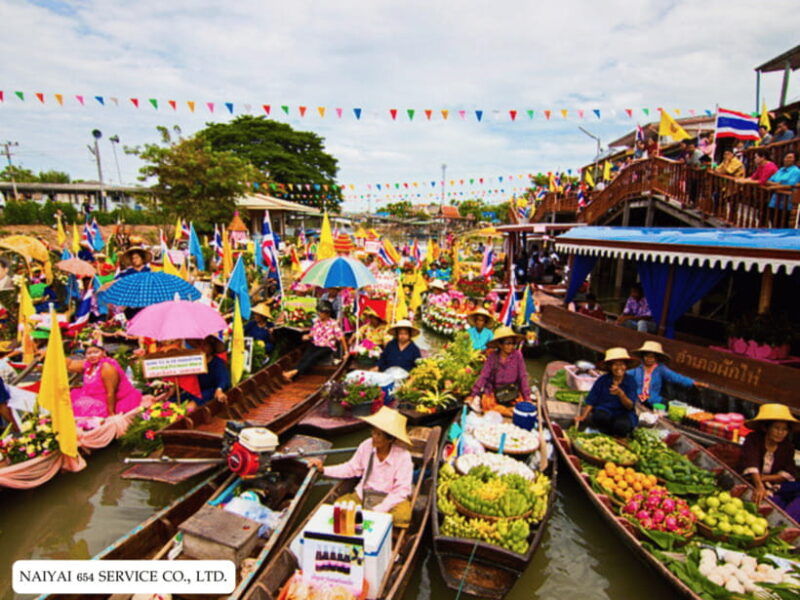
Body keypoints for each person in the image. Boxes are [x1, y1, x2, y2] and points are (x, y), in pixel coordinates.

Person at [309, 406, 413, 527]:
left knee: (402, 517)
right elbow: (351, 468)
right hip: (364, 494)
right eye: (373, 432)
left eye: (379, 435)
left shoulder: (403, 456)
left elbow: (401, 491)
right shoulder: (366, 446)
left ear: (390, 439)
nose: (374, 437)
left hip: (390, 498)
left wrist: (379, 510)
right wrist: (324, 469)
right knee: (339, 507)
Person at [739, 404, 798, 515]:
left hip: (773, 485)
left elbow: (790, 470)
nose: (780, 432)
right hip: (752, 481)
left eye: (784, 429)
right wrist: (759, 486)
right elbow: (751, 462)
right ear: (766, 428)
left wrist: (765, 478)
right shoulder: (753, 439)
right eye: (776, 428)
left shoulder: (787, 447)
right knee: (770, 502)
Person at [576, 347, 639, 437]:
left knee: (622, 425)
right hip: (605, 410)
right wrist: (583, 416)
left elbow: (630, 406)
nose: (619, 368)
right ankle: (605, 432)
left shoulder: (630, 381)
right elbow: (592, 399)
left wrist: (621, 394)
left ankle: (617, 435)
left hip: (624, 413)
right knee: (599, 417)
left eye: (622, 364)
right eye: (615, 365)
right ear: (610, 367)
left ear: (626, 366)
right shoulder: (603, 380)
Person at [68, 343, 143, 418]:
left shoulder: (107, 367)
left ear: (103, 353)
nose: (92, 355)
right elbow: (70, 364)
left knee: (80, 405)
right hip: (96, 398)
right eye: (89, 353)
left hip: (113, 402)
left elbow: (111, 393)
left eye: (95, 352)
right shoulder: (89, 365)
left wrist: (111, 414)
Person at [470, 326, 531, 417]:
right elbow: (484, 376)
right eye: (508, 343)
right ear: (500, 345)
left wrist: (527, 397)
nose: (511, 346)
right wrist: (473, 394)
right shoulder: (492, 357)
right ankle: (506, 411)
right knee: (488, 404)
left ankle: (506, 411)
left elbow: (522, 376)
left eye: (513, 343)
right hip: (494, 392)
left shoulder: (517, 355)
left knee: (521, 405)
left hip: (511, 391)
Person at [628, 341, 705, 408]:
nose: (649, 359)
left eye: (652, 357)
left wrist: (692, 382)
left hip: (654, 399)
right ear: (643, 356)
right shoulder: (637, 369)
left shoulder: (660, 369)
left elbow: (675, 377)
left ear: (656, 358)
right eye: (647, 356)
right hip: (637, 399)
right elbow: (626, 376)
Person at [282, 300, 345, 382]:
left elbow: (341, 337)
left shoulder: (333, 323)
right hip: (315, 344)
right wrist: (307, 336)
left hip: (327, 346)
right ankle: (292, 375)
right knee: (305, 357)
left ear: (327, 313)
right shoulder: (317, 322)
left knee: (313, 357)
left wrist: (346, 352)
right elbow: (312, 334)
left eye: (321, 312)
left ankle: (293, 372)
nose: (319, 314)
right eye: (319, 312)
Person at [184, 336, 230, 409]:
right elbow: (186, 377)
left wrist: (219, 390)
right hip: (194, 392)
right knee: (171, 402)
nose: (202, 347)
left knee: (190, 407)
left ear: (211, 347)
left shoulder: (217, 363)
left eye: (205, 344)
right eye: (200, 344)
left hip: (210, 392)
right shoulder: (194, 361)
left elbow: (223, 379)